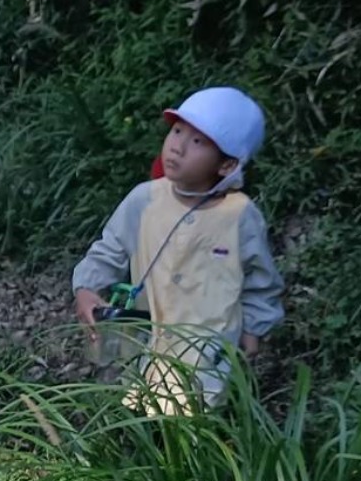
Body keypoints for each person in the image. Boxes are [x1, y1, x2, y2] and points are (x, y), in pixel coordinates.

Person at [71, 87, 286, 414]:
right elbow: (109, 249)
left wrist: (254, 331)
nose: (178, 146)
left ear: (227, 164)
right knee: (146, 423)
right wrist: (86, 288)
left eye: (198, 141)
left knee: (198, 431)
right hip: (147, 347)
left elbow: (261, 281)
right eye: (177, 131)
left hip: (210, 358)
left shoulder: (240, 216)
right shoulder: (145, 199)